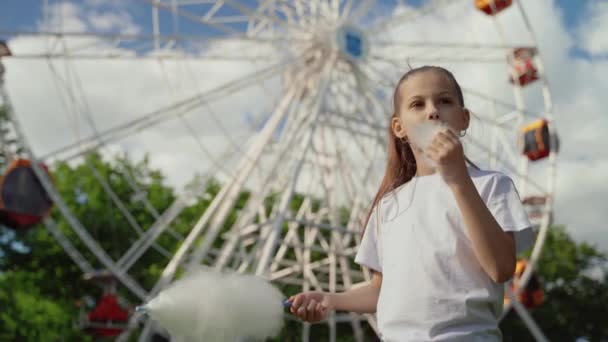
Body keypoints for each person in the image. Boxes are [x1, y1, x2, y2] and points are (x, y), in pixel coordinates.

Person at [287, 66, 536, 341]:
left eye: (445, 101)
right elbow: (382, 290)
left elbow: (501, 268)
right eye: (418, 104)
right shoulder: (388, 206)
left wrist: (458, 179)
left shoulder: (491, 185)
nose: (432, 111)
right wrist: (331, 300)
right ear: (399, 127)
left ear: (464, 119)